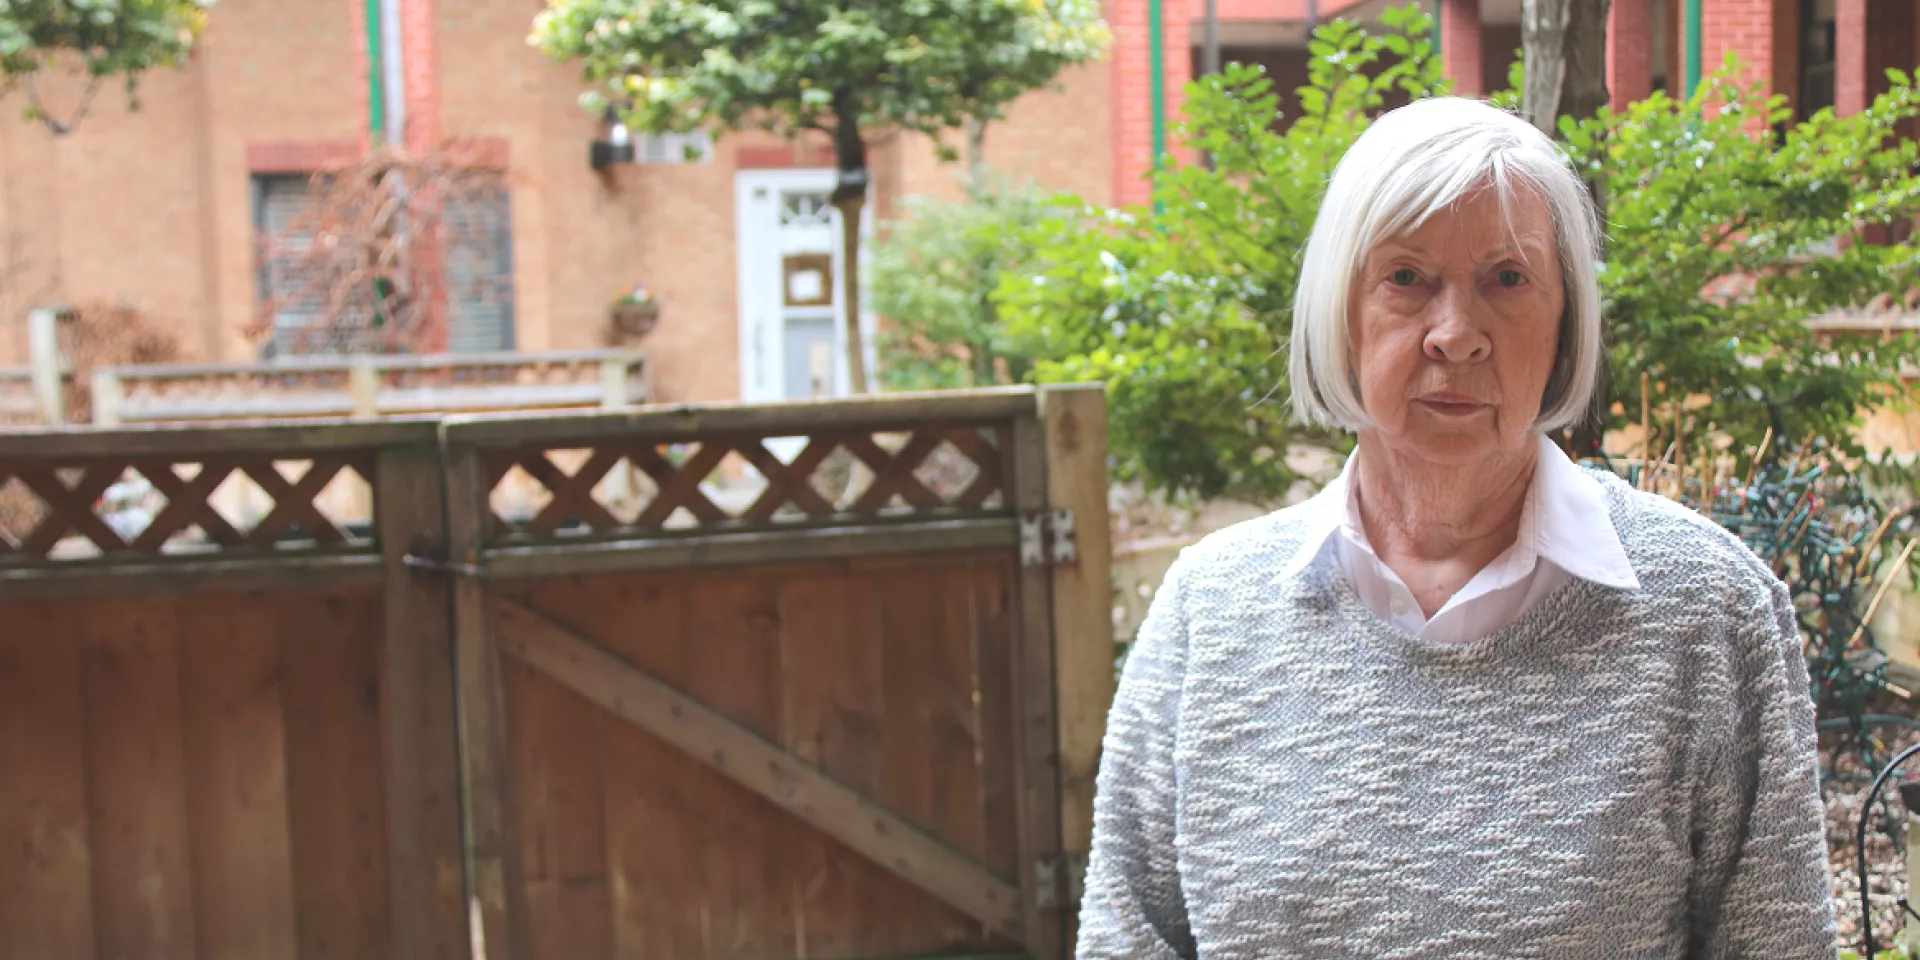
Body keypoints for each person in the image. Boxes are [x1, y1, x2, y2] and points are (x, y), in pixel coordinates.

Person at [1076, 97, 1835, 958]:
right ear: (1340, 312)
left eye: (1508, 279)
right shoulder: (1209, 610)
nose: (1457, 335)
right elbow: (1125, 938)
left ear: (1564, 322)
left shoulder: (1708, 610)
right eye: (1407, 277)